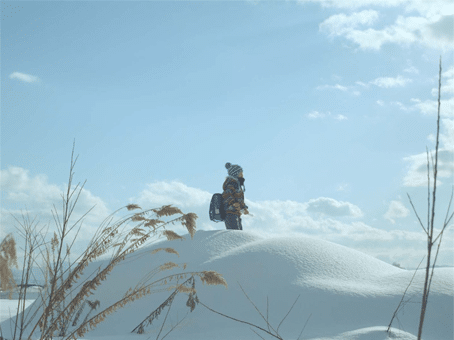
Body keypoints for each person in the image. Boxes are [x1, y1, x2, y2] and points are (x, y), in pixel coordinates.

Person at [222, 162, 249, 230]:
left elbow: (239, 199)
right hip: (230, 213)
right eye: (240, 173)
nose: (242, 175)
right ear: (235, 174)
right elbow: (228, 195)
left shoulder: (238, 185)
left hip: (236, 213)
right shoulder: (231, 184)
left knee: (239, 232)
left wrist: (244, 208)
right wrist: (233, 203)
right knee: (234, 232)